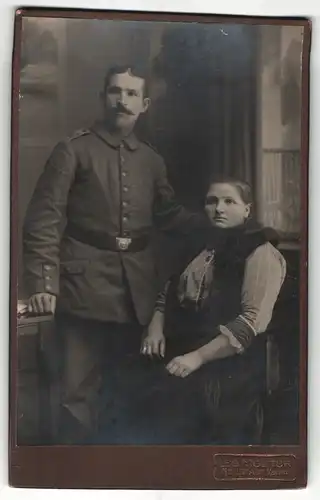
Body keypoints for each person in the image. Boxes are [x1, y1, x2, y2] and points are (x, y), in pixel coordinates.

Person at [22, 64, 209, 443]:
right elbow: (44, 220)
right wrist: (45, 282)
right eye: (114, 92)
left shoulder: (152, 161)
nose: (122, 101)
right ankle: (76, 475)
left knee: (127, 392)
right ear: (103, 97)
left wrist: (218, 227)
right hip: (81, 290)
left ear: (145, 104)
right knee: (75, 395)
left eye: (130, 94)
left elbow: (167, 216)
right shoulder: (73, 150)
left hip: (136, 292)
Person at [96, 176, 287, 445]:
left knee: (172, 407)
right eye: (212, 202)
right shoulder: (202, 244)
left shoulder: (261, 253)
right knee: (124, 390)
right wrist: (155, 327)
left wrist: (196, 358)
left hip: (229, 361)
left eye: (229, 201)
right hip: (186, 346)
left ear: (247, 209)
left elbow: (250, 322)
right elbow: (170, 289)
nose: (219, 209)